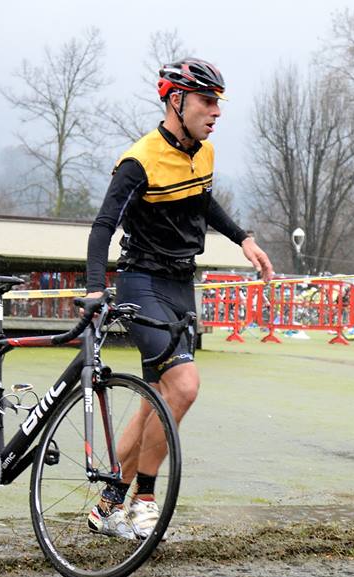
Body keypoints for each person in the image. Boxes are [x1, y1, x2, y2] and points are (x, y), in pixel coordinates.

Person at [84, 59, 274, 539]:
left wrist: (243, 238)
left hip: (180, 284)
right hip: (141, 282)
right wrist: (92, 288)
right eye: (208, 101)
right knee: (184, 386)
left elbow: (203, 202)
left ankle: (108, 504)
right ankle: (145, 498)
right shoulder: (139, 160)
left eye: (218, 103)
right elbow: (104, 225)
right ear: (176, 101)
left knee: (156, 401)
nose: (216, 112)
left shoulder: (203, 152)